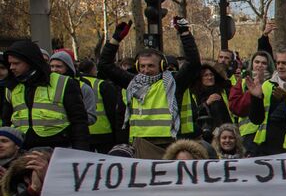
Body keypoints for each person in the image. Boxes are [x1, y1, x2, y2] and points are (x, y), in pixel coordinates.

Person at [98, 19, 203, 158]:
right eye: (142, 66)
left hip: (170, 144)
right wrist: (116, 39)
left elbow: (194, 63)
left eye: (150, 66)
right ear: (137, 66)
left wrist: (185, 33)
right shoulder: (133, 82)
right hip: (142, 144)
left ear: (161, 66)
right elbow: (105, 65)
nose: (146, 70)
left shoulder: (174, 82)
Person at [3, 39, 91, 151]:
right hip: (22, 152)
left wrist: (80, 153)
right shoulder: (11, 86)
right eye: (10, 63)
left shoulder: (64, 83)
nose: (11, 67)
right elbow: (6, 122)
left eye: (16, 63)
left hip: (58, 151)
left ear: (30, 62)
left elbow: (79, 122)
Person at [76, 55, 124, 153]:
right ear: (93, 70)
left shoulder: (73, 83)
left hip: (83, 132)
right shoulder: (102, 84)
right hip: (103, 132)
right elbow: (112, 109)